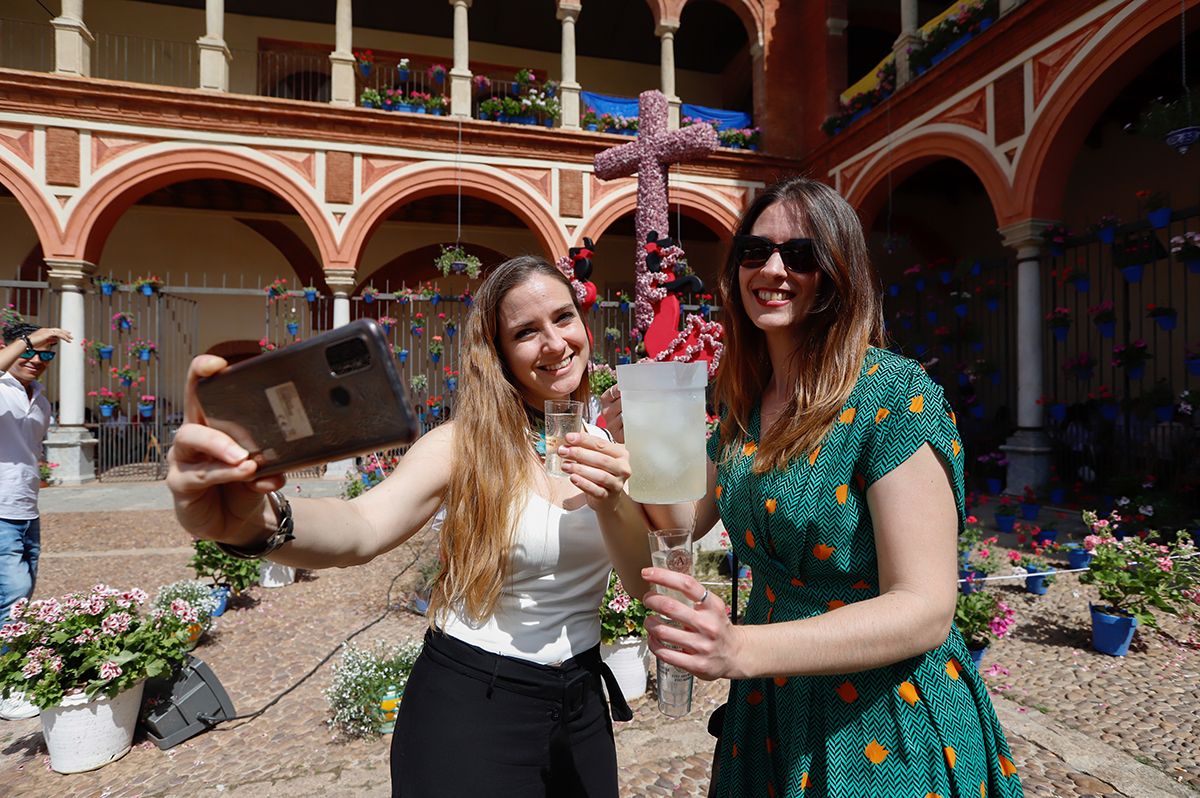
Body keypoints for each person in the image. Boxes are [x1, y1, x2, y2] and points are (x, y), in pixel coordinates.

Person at [166, 256, 651, 797]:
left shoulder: (606, 445)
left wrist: (613, 500)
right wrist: (259, 520)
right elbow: (362, 525)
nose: (555, 344)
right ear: (499, 353)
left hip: (581, 703)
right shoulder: (462, 445)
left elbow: (640, 583)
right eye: (525, 332)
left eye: (563, 318)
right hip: (474, 707)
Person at [604, 177, 1023, 797]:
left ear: (837, 274)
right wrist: (632, 454)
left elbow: (926, 609)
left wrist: (741, 648)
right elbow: (681, 525)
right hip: (770, 710)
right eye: (755, 251)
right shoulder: (746, 402)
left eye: (799, 255)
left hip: (883, 721)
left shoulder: (894, 394)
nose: (772, 269)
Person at [0, 320, 72, 720]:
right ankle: (7, 685)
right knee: (13, 594)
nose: (38, 359)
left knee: (20, 596)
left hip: (26, 509)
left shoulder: (41, 400)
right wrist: (31, 339)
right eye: (29, 351)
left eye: (47, 354)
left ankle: (13, 667)